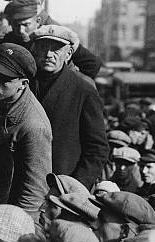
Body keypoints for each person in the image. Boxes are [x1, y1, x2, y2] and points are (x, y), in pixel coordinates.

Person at [30, 25, 109, 189]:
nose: (48, 54)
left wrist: (74, 188)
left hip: (61, 187)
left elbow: (97, 149)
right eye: (43, 47)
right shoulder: (23, 85)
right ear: (34, 50)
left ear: (69, 54)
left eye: (56, 49)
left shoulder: (83, 90)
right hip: (26, 184)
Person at [0, 42, 52, 219]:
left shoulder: (34, 125)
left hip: (9, 214)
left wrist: (15, 229)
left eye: (4, 79)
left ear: (23, 83)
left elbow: (34, 194)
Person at [2, 0, 102, 79]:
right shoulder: (15, 34)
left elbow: (92, 64)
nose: (21, 30)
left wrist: (71, 87)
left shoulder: (53, 31)